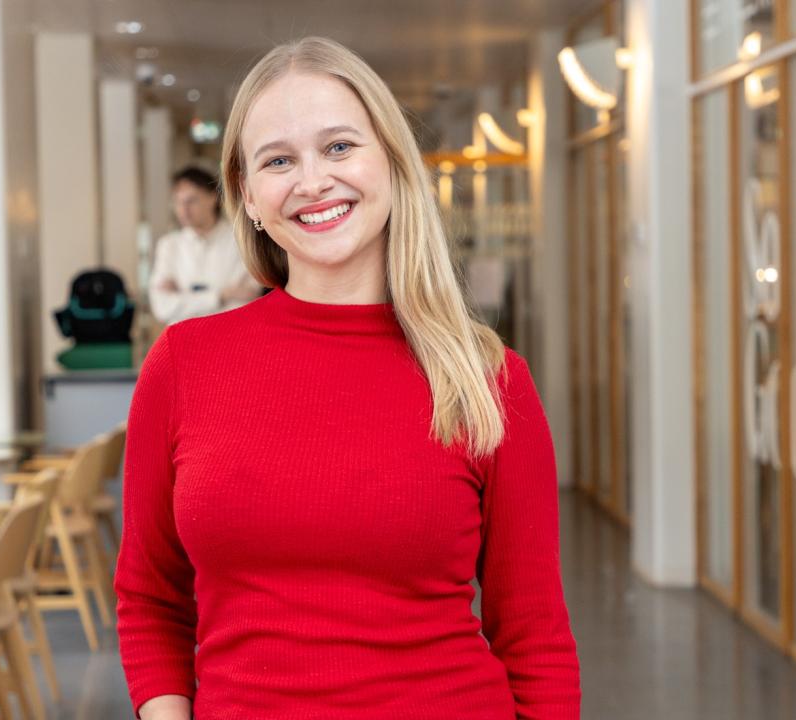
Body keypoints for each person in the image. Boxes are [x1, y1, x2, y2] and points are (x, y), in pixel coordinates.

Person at [116, 37, 581, 720]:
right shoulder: (185, 364)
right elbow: (151, 599)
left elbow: (534, 637)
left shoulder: (487, 378)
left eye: (339, 148)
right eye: (279, 160)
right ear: (247, 195)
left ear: (391, 162)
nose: (313, 182)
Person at [147, 166, 262, 325]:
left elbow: (247, 301)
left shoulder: (241, 240)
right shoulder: (168, 245)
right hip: (183, 341)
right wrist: (222, 295)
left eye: (191, 200)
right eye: (177, 201)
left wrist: (183, 298)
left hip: (233, 336)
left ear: (212, 198)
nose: (183, 209)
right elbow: (162, 307)